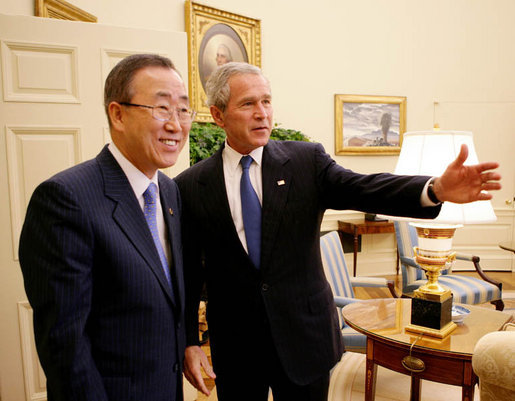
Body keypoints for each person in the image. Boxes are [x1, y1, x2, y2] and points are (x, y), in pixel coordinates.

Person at [174, 62, 501, 401]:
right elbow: (186, 274)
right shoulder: (190, 186)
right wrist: (189, 341)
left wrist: (434, 190)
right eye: (248, 104)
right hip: (237, 347)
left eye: (267, 101)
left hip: (304, 340)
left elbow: (366, 187)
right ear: (218, 114)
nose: (262, 113)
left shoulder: (305, 161)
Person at [18, 54, 194, 401]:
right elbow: (65, 346)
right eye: (161, 108)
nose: (176, 124)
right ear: (118, 114)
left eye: (183, 110)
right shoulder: (66, 199)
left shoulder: (167, 189)